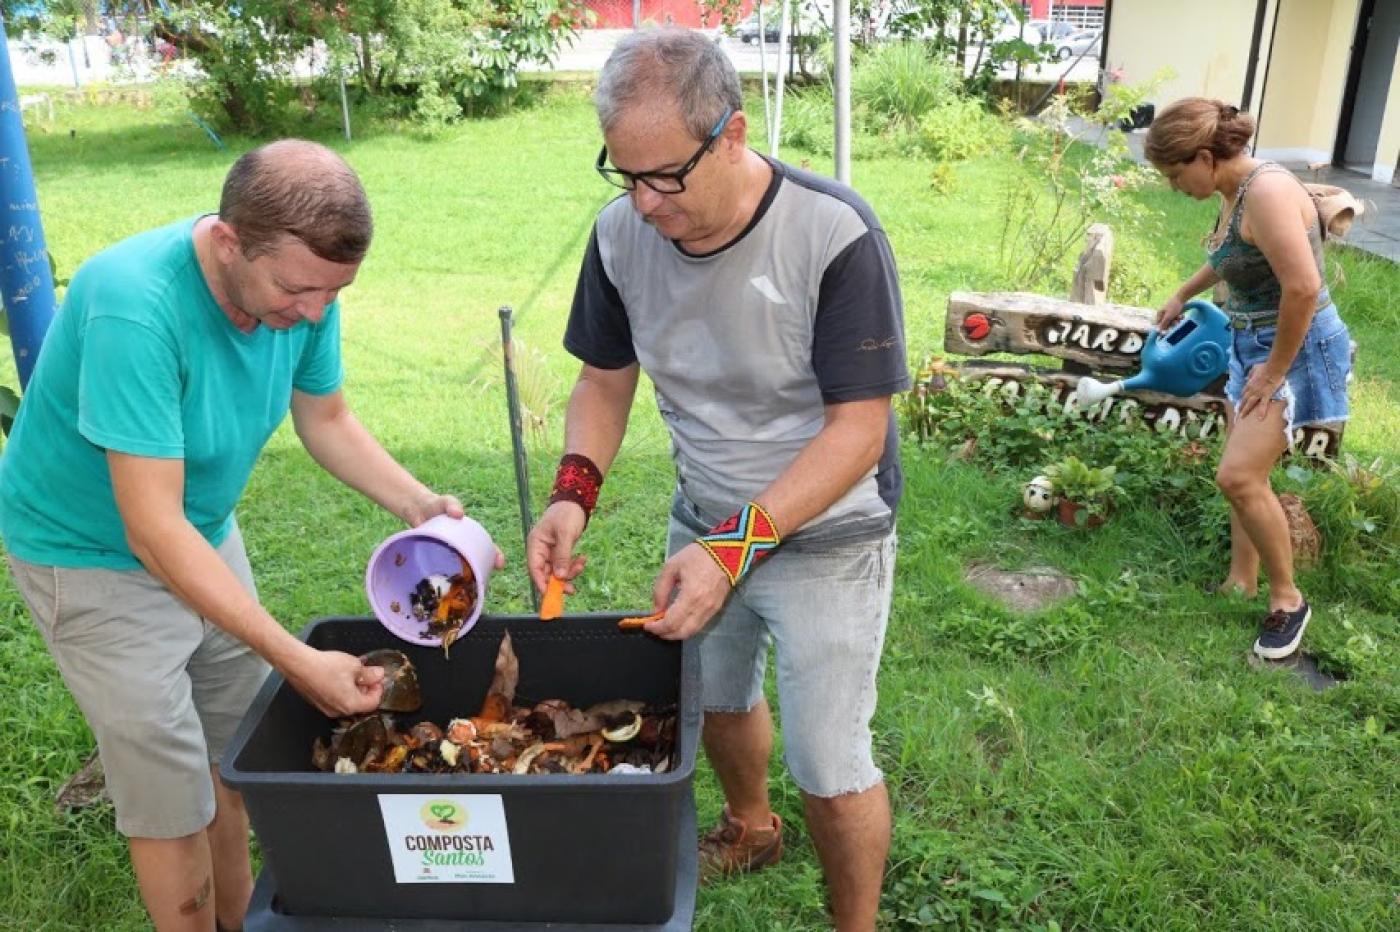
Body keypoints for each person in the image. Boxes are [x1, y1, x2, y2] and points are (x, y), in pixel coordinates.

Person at [0, 140, 479, 931]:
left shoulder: (304, 282)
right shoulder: (134, 304)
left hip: (199, 528)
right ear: (229, 243)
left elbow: (325, 416)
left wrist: (419, 504)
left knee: (236, 752)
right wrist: (294, 660)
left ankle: (236, 919)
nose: (316, 312)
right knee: (170, 787)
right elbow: (150, 530)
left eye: (334, 292)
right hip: (90, 554)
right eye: (299, 290)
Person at [525, 29, 908, 932]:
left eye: (665, 175)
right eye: (624, 175)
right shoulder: (620, 234)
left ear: (732, 135)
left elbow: (859, 430)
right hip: (704, 515)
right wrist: (572, 493)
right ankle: (749, 824)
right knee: (718, 699)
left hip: (830, 534)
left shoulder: (832, 232)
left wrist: (733, 549)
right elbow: (604, 379)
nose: (645, 202)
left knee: (831, 759)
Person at [1146, 98, 1352, 660]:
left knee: (1237, 476)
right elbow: (1238, 254)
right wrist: (1183, 293)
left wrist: (1275, 371)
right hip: (1252, 344)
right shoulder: (1236, 190)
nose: (1173, 186)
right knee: (1244, 470)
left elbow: (1304, 288)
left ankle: (1289, 600)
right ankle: (1242, 580)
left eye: (1174, 174)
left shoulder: (1267, 191)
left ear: (1206, 156)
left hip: (1294, 349)